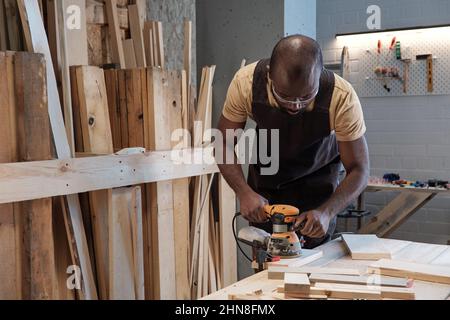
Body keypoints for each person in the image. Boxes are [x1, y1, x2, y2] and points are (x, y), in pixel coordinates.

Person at [217, 35, 369, 249]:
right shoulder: (246, 84)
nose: (296, 105)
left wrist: (326, 212)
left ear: (320, 76)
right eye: (285, 96)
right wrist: (244, 192)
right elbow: (223, 143)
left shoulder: (342, 97)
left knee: (311, 266)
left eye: (306, 96)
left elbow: (359, 169)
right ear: (270, 75)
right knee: (265, 262)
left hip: (317, 190)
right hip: (267, 187)